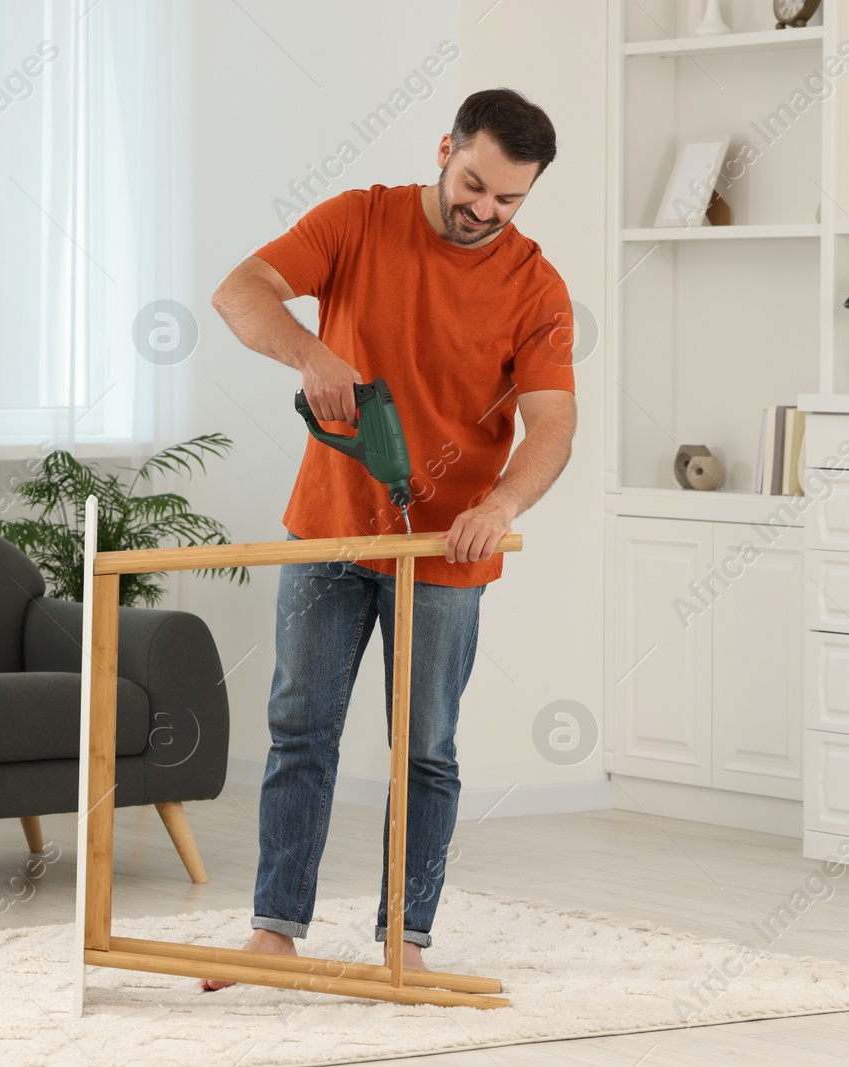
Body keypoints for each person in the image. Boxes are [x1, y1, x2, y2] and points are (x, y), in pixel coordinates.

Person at [204, 87, 576, 988]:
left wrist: (502, 506)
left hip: (447, 549)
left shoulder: (536, 284)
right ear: (446, 147)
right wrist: (309, 350)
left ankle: (404, 942)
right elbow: (237, 292)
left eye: (508, 199)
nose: (484, 211)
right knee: (301, 727)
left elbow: (553, 429)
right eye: (473, 183)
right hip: (329, 530)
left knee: (427, 749)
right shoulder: (358, 220)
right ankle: (275, 931)